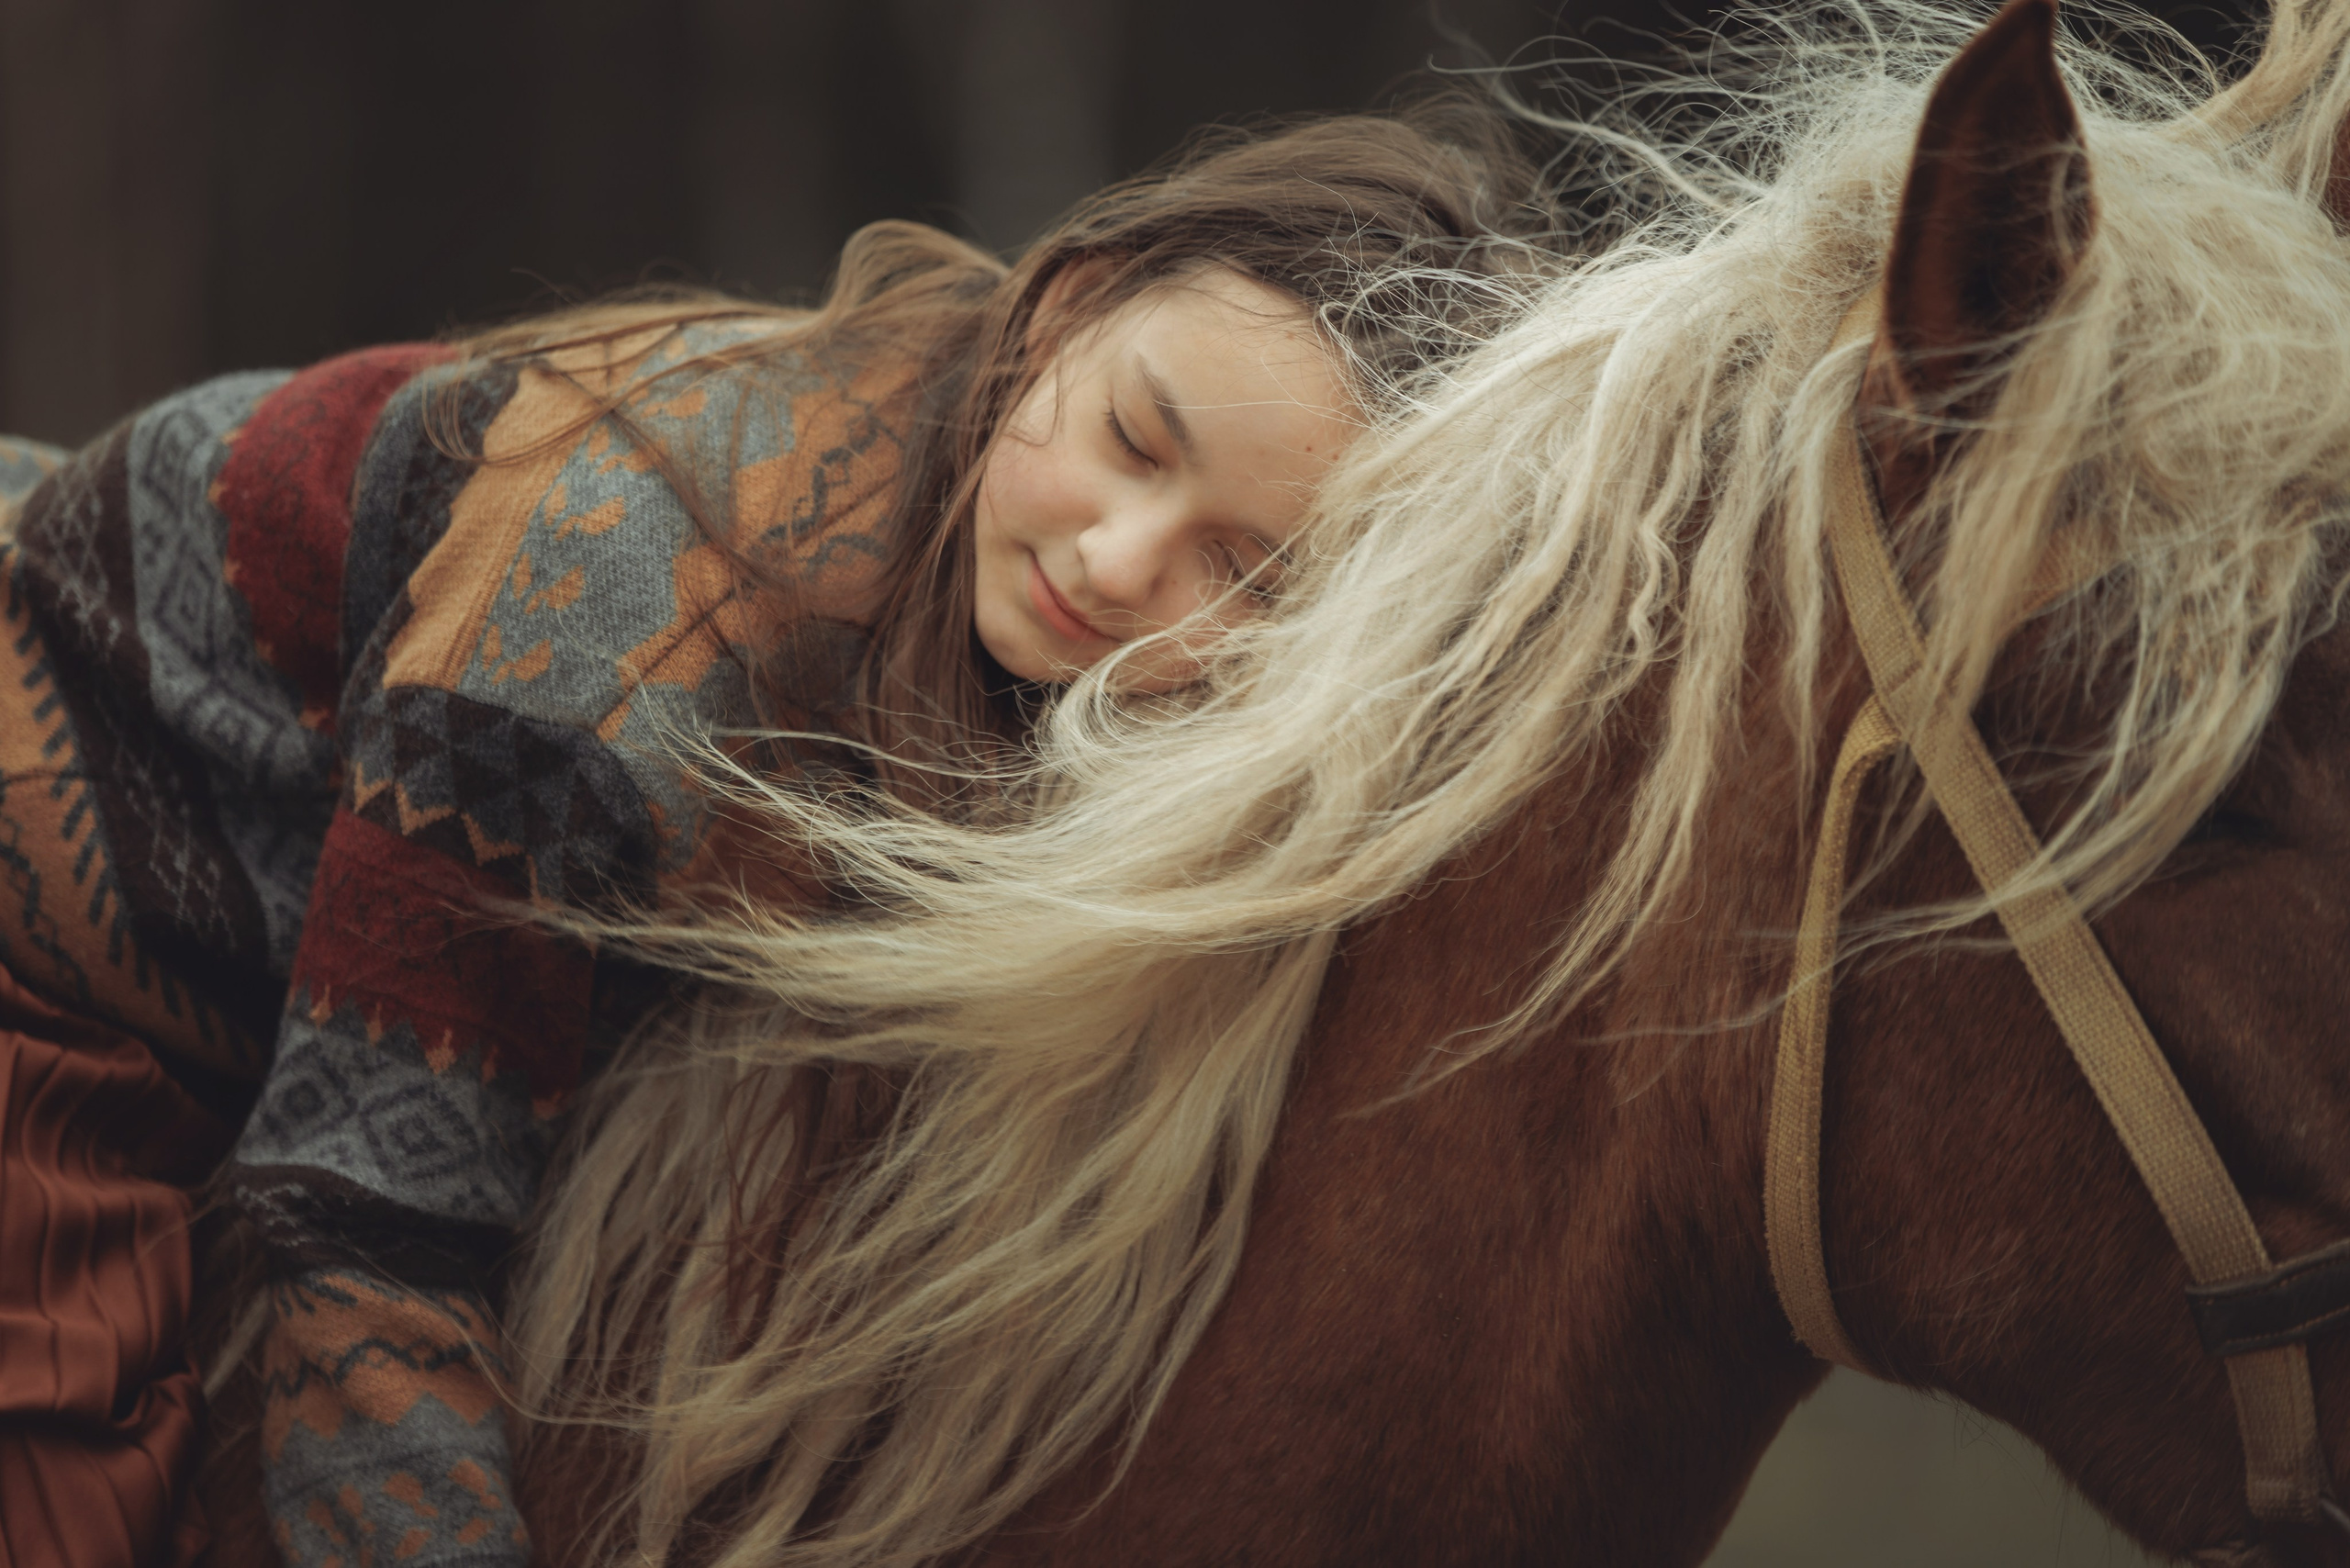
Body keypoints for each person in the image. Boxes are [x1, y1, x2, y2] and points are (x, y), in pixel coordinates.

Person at [0, 100, 1558, 1568]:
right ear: (1066, 308)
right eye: (1138, 445)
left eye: (1252, 574)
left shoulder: (1044, 613)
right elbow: (356, 1234)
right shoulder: (624, 589)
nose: (1119, 557)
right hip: (68, 921)